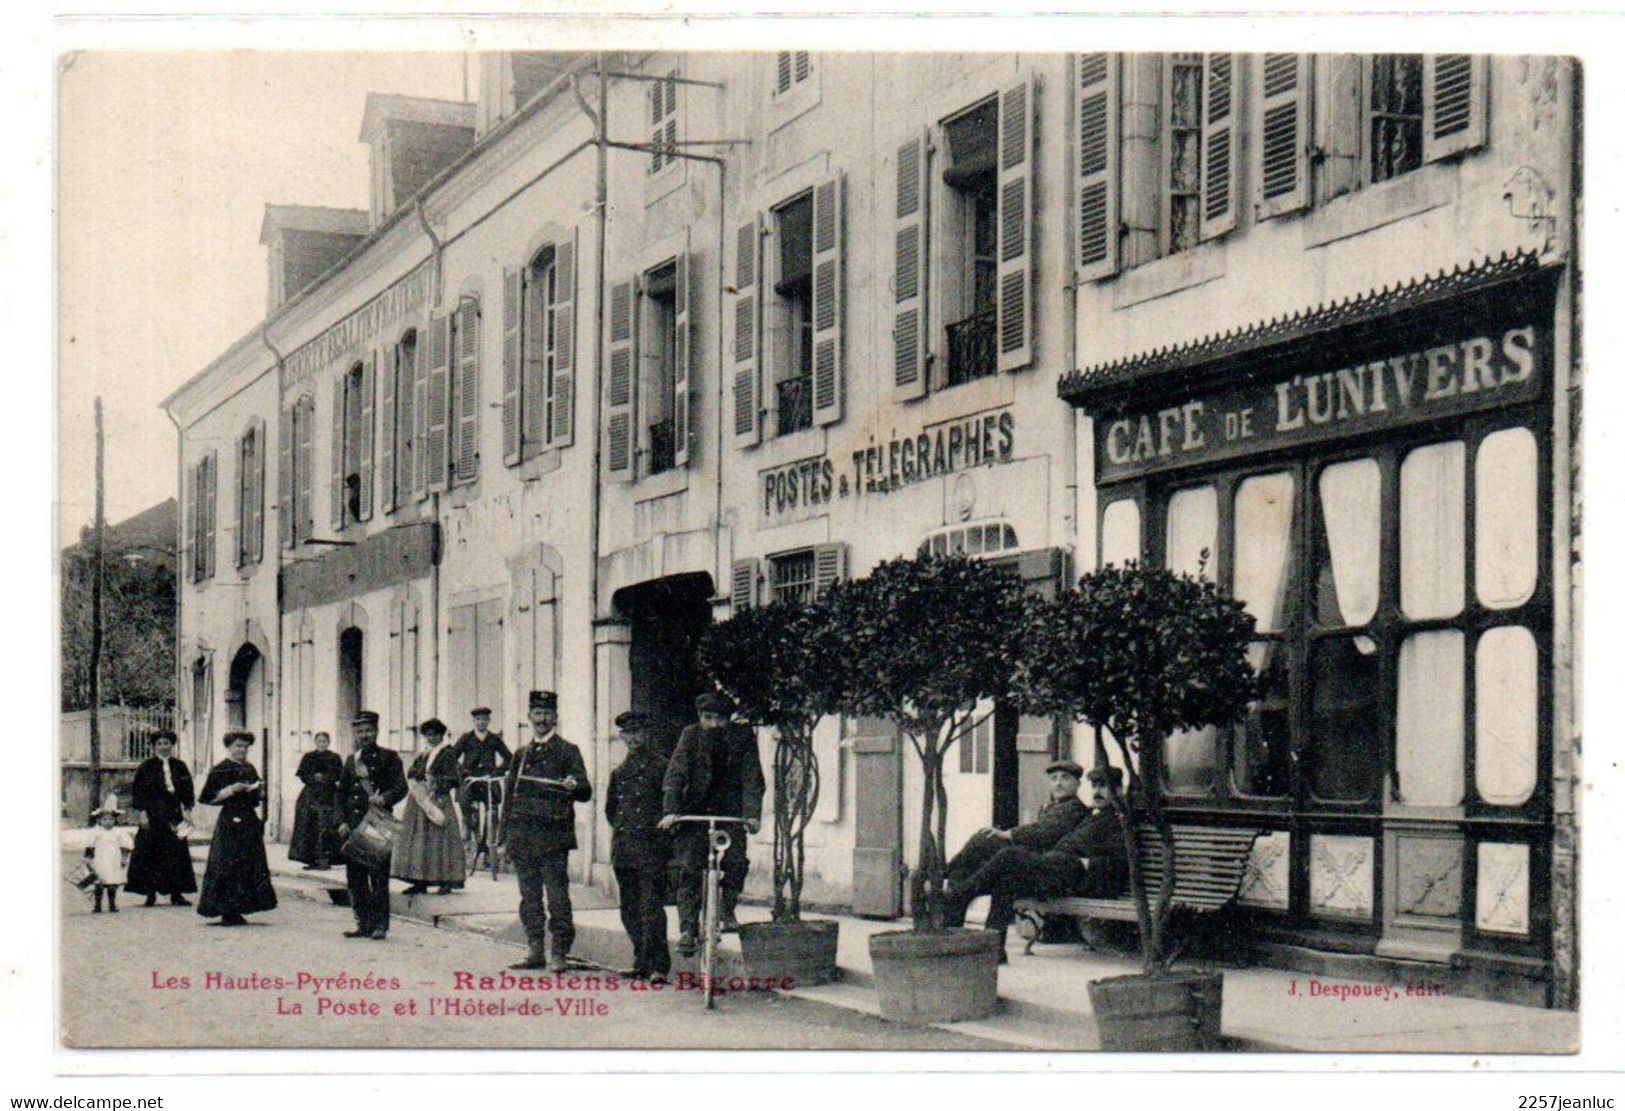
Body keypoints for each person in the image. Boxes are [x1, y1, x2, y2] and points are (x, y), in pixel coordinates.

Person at [942, 765, 1129, 961]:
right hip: (1058, 868)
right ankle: (994, 950)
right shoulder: (1094, 815)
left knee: (1010, 856)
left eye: (1104, 786)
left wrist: (1086, 863)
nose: (1097, 791)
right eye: (1095, 786)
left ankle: (958, 895)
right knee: (1007, 879)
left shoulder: (1121, 821)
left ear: (1118, 790)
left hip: (1079, 877)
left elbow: (1120, 864)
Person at [658, 692, 764, 955]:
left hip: (730, 814)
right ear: (700, 717)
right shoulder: (690, 736)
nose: (714, 724)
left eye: (720, 719)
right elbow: (676, 774)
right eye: (708, 718)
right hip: (694, 814)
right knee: (688, 871)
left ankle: (727, 911)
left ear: (728, 719)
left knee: (736, 863)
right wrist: (672, 811)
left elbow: (752, 777)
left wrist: (751, 814)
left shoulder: (742, 737)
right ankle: (687, 929)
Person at [499, 690, 591, 972]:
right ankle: (535, 950)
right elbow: (509, 798)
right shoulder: (520, 754)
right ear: (529, 717)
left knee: (557, 898)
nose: (542, 719)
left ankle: (560, 952)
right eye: (537, 714)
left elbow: (586, 791)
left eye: (547, 714)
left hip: (553, 839)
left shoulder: (568, 751)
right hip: (523, 837)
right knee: (529, 899)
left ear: (556, 718)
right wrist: (503, 839)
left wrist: (574, 784)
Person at [944, 759, 1091, 895]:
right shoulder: (1053, 807)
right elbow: (1037, 829)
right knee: (981, 844)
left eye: (1065, 778)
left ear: (1077, 783)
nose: (1058, 783)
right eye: (1054, 778)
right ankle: (951, 886)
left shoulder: (1075, 808)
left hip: (1044, 867)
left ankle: (946, 878)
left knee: (984, 840)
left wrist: (1008, 834)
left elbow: (1044, 834)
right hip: (1035, 860)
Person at [605, 711, 672, 984]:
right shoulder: (619, 772)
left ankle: (658, 965)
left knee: (651, 908)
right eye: (628, 733)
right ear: (622, 736)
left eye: (638, 732)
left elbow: (669, 806)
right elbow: (611, 811)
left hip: (651, 849)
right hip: (624, 849)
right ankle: (641, 960)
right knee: (629, 909)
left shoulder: (661, 767)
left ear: (647, 733)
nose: (633, 738)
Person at [335, 711, 407, 941]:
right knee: (355, 878)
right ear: (355, 734)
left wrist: (385, 798)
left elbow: (401, 787)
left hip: (377, 824)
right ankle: (362, 923)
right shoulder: (350, 761)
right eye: (359, 731)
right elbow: (340, 794)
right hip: (355, 826)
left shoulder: (389, 757)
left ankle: (379, 925)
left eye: (368, 730)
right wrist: (341, 821)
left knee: (377, 877)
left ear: (376, 731)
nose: (364, 735)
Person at [196, 731, 278, 927]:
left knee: (249, 864)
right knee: (228, 864)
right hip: (230, 821)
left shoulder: (250, 767)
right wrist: (230, 790)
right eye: (238, 746)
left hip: (249, 819)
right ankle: (226, 910)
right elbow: (207, 797)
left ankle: (241, 908)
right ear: (229, 747)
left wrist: (258, 790)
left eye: (245, 746)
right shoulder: (221, 769)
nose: (242, 750)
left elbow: (257, 796)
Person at [124, 730, 198, 906]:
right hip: (153, 813)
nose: (164, 747)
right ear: (153, 746)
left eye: (167, 743)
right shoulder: (146, 767)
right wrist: (142, 813)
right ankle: (150, 894)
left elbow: (187, 789)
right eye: (160, 744)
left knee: (175, 852)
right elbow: (138, 792)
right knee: (150, 852)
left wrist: (187, 810)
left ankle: (176, 894)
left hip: (173, 814)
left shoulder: (180, 766)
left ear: (172, 745)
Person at [394, 718, 467, 895]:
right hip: (419, 802)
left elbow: (456, 778)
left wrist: (436, 782)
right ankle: (420, 880)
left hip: (437, 801)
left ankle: (446, 880)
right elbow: (411, 771)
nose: (431, 738)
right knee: (420, 842)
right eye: (428, 735)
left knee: (441, 842)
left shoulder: (447, 753)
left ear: (441, 735)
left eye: (435, 735)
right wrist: (416, 777)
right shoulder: (423, 754)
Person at [454, 707, 510, 861]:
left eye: (484, 719)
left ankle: (487, 843)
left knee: (492, 812)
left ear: (488, 721)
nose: (481, 722)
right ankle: (470, 831)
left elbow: (509, 758)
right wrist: (463, 772)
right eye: (478, 719)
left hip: (488, 780)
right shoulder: (466, 738)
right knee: (466, 805)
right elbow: (452, 757)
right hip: (470, 780)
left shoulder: (494, 739)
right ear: (473, 721)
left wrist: (497, 772)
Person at [288, 732, 343, 871]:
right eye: (319, 741)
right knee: (309, 825)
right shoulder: (309, 757)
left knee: (327, 824)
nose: (322, 744)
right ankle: (311, 859)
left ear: (329, 742)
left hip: (329, 795)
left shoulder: (334, 757)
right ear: (315, 742)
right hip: (310, 794)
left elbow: (339, 774)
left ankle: (326, 859)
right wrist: (313, 778)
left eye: (325, 741)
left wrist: (325, 778)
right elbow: (302, 774)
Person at [85, 795, 134, 914]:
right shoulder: (96, 832)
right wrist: (88, 860)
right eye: (105, 820)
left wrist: (124, 858)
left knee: (112, 883)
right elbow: (90, 847)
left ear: (115, 820)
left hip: (113, 861)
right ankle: (97, 905)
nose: (108, 822)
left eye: (111, 819)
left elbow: (126, 846)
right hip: (100, 860)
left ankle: (112, 904)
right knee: (99, 883)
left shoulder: (118, 832)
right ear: (99, 820)